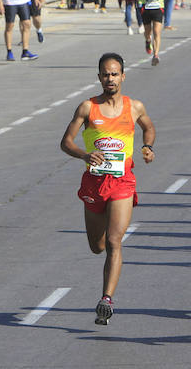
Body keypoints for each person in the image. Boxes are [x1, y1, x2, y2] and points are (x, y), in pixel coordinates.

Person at [59, 52, 156, 325]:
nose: (110, 78)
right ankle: (106, 290)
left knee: (115, 241)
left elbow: (149, 128)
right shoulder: (87, 108)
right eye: (105, 74)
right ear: (99, 77)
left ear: (123, 76)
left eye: (114, 74)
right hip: (94, 182)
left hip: (122, 182)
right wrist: (83, 155)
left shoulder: (134, 107)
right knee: (97, 246)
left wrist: (147, 147)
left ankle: (106, 300)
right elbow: (66, 141)